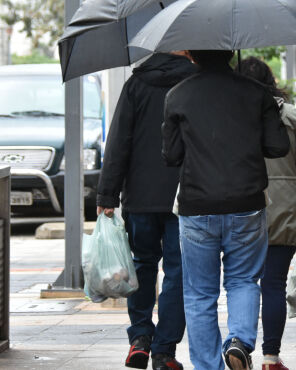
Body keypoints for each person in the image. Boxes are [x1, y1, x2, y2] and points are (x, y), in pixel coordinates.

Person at [162, 50, 290, 370]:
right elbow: (278, 146)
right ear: (231, 51)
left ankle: (208, 366)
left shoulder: (178, 95)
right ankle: (239, 341)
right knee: (244, 280)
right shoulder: (256, 93)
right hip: (246, 204)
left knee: (199, 293)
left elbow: (172, 155)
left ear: (192, 54)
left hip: (197, 207)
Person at [96, 51, 197, 370]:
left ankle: (140, 339)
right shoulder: (194, 83)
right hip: (185, 196)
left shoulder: (136, 84)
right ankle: (165, 350)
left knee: (142, 264)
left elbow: (118, 141)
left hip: (139, 196)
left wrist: (107, 193)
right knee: (178, 272)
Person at [237, 57, 296, 370]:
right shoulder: (289, 116)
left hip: (242, 206)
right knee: (273, 284)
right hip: (285, 208)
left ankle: (239, 345)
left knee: (243, 282)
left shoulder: (230, 115)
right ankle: (271, 358)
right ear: (272, 82)